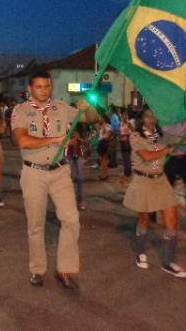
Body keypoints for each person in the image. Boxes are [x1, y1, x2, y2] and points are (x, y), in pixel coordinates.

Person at [11, 70, 88, 290]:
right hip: (34, 172)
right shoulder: (21, 111)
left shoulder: (61, 108)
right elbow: (22, 140)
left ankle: (65, 269)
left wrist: (89, 107)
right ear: (30, 89)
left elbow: (89, 118)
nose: (44, 90)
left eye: (47, 86)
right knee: (36, 225)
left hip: (60, 171)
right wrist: (56, 139)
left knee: (71, 219)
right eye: (39, 87)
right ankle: (37, 269)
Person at [123, 108, 186, 278]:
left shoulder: (162, 135)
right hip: (143, 180)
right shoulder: (135, 136)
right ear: (141, 118)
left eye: (154, 116)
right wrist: (167, 150)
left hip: (160, 180)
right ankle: (140, 251)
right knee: (144, 219)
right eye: (147, 116)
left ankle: (169, 263)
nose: (151, 119)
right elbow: (146, 156)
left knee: (172, 220)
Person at [66, 122, 87, 211]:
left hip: (78, 155)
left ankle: (80, 201)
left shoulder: (80, 127)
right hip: (68, 155)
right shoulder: (64, 125)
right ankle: (68, 202)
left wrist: (79, 139)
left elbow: (86, 142)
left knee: (80, 178)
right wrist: (69, 141)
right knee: (67, 179)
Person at [97, 116, 112, 180]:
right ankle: (104, 174)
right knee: (102, 160)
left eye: (100, 118)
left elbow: (109, 133)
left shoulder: (106, 125)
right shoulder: (103, 125)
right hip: (102, 142)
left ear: (104, 118)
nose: (99, 119)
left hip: (103, 143)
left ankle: (105, 175)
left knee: (103, 160)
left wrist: (104, 138)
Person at [119, 111, 133, 179]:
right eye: (123, 116)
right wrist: (120, 136)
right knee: (124, 158)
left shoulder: (129, 123)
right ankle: (126, 172)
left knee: (127, 157)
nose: (124, 117)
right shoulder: (120, 124)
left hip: (127, 142)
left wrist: (126, 135)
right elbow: (119, 132)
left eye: (125, 116)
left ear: (127, 117)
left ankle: (128, 172)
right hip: (122, 142)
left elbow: (133, 131)